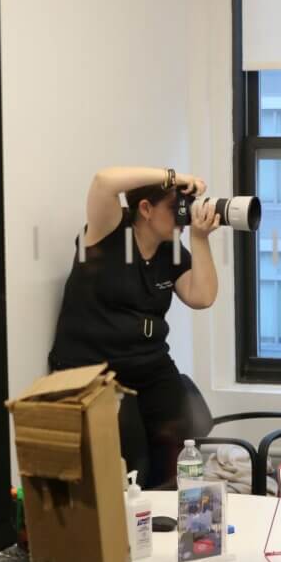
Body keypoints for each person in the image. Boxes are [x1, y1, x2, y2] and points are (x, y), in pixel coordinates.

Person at [48, 167, 220, 487]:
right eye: (175, 207)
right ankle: (130, 527)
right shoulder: (108, 233)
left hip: (150, 366)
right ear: (145, 209)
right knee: (132, 458)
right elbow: (103, 181)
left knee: (178, 449)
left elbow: (202, 296)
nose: (183, 216)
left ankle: (169, 524)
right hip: (95, 370)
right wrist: (171, 177)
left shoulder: (171, 250)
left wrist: (199, 238)